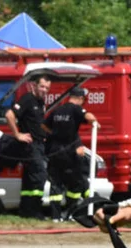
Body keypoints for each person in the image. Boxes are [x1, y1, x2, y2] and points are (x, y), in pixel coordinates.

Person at [45, 86, 98, 221]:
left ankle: (56, 217)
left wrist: (55, 134)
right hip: (70, 153)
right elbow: (89, 116)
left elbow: (44, 125)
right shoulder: (76, 109)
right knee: (75, 184)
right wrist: (95, 122)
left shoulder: (58, 110)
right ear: (80, 98)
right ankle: (70, 214)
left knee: (55, 184)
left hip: (55, 151)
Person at [5, 73, 49, 220]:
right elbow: (9, 115)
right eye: (42, 86)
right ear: (34, 85)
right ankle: (35, 210)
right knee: (39, 175)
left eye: (47, 88)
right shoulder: (27, 99)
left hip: (39, 144)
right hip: (30, 145)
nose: (44, 90)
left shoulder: (41, 102)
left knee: (30, 178)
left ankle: (26, 210)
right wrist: (17, 135)